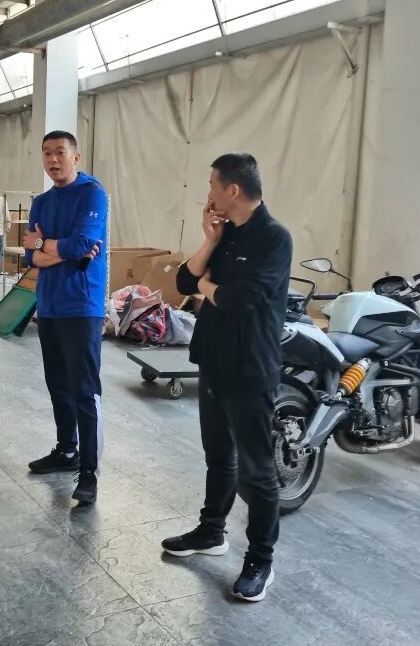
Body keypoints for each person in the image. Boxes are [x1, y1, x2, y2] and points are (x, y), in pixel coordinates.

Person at [160, 153, 291, 603]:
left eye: (212, 185)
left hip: (250, 369)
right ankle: (211, 531)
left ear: (232, 190)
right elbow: (183, 282)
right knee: (218, 455)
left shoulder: (274, 238)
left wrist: (207, 288)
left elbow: (240, 300)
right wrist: (210, 241)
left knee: (257, 472)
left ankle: (260, 560)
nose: (209, 193)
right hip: (214, 361)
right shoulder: (226, 233)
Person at [24, 131, 108, 504]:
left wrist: (46, 245)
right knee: (58, 384)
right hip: (49, 306)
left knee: (84, 391)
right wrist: (61, 250)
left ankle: (89, 472)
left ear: (76, 156)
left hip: (81, 306)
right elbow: (31, 257)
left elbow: (81, 244)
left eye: (60, 152)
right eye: (47, 153)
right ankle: (66, 449)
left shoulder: (92, 194)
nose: (53, 160)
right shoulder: (41, 203)